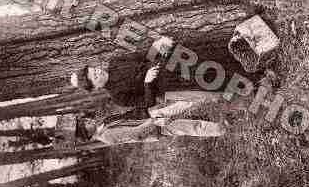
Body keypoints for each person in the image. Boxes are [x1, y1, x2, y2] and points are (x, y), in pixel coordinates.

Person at [71, 37, 228, 146]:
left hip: (166, 70)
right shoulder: (116, 101)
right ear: (95, 87)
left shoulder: (115, 63)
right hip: (163, 106)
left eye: (96, 69)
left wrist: (156, 46)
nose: (99, 72)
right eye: (95, 76)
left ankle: (231, 86)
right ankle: (228, 119)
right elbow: (137, 130)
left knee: (207, 70)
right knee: (201, 102)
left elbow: (144, 59)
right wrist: (147, 83)